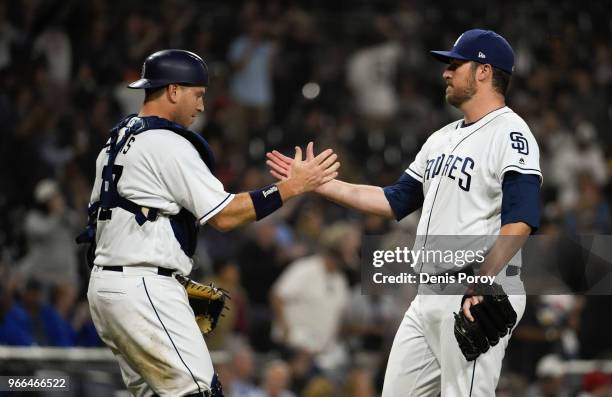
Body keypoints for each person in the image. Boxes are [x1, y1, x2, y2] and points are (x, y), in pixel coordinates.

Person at [267, 29, 542, 396]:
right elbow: (394, 200)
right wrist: (318, 184)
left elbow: (521, 219)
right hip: (427, 293)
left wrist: (485, 281)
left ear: (483, 72)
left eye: (456, 64)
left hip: (474, 289)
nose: (446, 72)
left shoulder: (510, 133)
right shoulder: (441, 138)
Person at [83, 49, 339, 397]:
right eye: (198, 94)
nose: (202, 106)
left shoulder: (119, 138)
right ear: (173, 90)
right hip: (142, 285)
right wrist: (290, 187)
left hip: (110, 286)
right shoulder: (166, 143)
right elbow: (225, 215)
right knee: (202, 392)